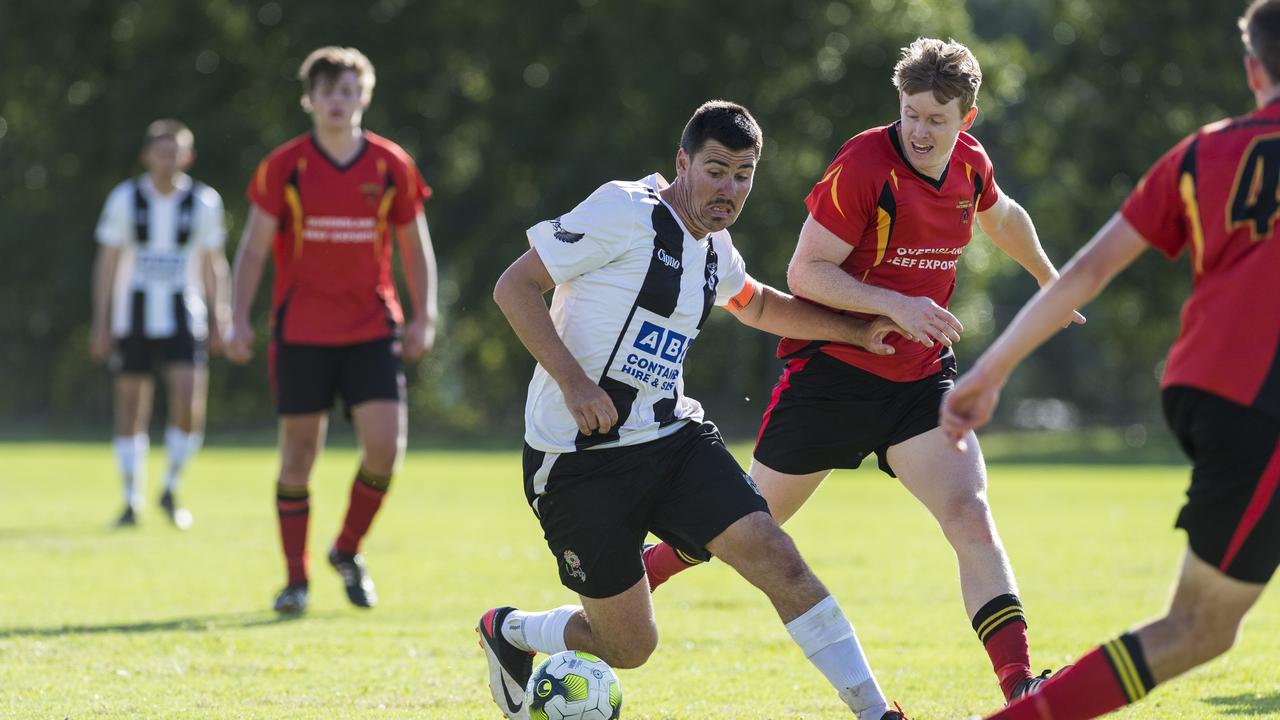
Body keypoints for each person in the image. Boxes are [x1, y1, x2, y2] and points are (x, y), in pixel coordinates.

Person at [641, 38, 1086, 704]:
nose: (920, 129)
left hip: (918, 382)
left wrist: (1052, 282)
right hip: (832, 379)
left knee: (968, 515)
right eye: (910, 113)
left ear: (967, 118)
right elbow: (804, 272)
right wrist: (896, 304)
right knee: (735, 530)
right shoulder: (865, 164)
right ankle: (618, 591)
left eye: (937, 118)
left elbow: (1004, 217)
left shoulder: (970, 164)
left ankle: (1021, 687)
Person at [480, 101, 912, 720]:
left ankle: (875, 712)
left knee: (778, 557)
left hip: (672, 441)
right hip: (577, 460)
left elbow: (757, 304)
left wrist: (854, 330)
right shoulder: (624, 210)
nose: (729, 188)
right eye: (715, 170)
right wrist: (575, 385)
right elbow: (513, 286)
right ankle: (513, 630)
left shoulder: (714, 248)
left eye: (743, 174)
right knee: (630, 647)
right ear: (683, 163)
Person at [941, 3, 1280, 718]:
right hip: (1264, 401)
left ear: (1254, 70)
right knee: (1199, 628)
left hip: (1206, 387)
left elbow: (1088, 270)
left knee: (1201, 627)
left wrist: (990, 369)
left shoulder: (1199, 153)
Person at [226, 46, 438, 615]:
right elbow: (251, 247)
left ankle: (346, 549)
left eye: (348, 91)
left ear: (363, 97)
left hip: (371, 325)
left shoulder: (391, 163)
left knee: (385, 450)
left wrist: (424, 315)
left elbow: (415, 246)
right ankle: (295, 581)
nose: (337, 101)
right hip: (301, 331)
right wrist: (236, 317)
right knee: (298, 457)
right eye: (326, 91)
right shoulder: (285, 166)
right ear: (310, 99)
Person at [90, 119, 228, 530]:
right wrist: (101, 322)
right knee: (131, 406)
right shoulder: (125, 199)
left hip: (184, 314)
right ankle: (130, 498)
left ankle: (170, 486)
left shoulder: (204, 202)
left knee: (188, 402)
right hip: (132, 315)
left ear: (188, 157)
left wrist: (221, 317)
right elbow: (107, 262)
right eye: (161, 151)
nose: (168, 160)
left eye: (177, 152)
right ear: (147, 155)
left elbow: (213, 264)